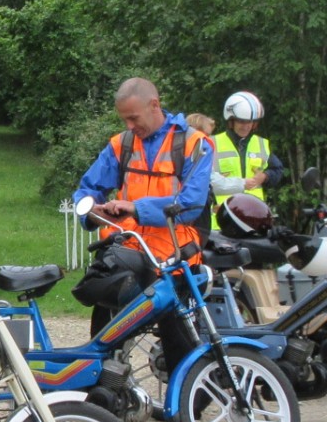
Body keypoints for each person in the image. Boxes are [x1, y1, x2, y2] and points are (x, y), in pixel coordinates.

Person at [70, 77, 213, 332]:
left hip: (173, 258)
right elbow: (87, 189)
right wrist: (92, 212)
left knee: (178, 347)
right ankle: (107, 372)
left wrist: (136, 209)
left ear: (154, 105)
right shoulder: (121, 144)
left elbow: (191, 204)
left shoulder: (194, 144)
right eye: (124, 119)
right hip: (125, 254)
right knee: (101, 345)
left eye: (134, 118)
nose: (129, 125)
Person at [208, 91, 287, 228]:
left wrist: (265, 176)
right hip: (222, 221)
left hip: (255, 219)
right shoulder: (212, 143)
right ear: (231, 121)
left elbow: (278, 170)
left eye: (250, 122)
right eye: (241, 121)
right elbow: (204, 180)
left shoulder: (261, 144)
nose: (246, 126)